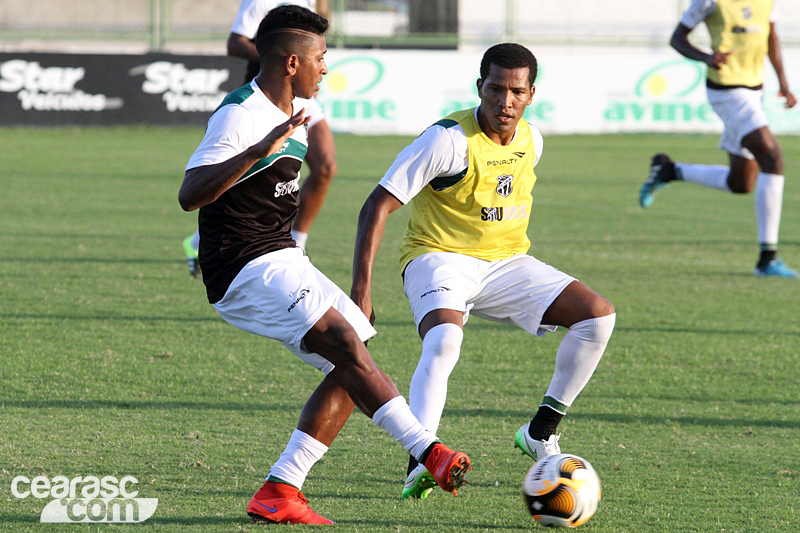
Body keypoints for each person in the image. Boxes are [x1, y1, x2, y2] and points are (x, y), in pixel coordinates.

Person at [178, 5, 470, 524]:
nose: (326, 68)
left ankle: (282, 487)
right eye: (320, 57)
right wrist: (255, 152)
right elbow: (190, 195)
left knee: (354, 352)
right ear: (292, 63)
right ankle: (430, 452)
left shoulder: (300, 113)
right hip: (240, 268)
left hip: (280, 256)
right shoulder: (240, 114)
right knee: (343, 342)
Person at [350, 43, 616, 500]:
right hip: (437, 256)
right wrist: (361, 291)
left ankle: (539, 431)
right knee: (445, 339)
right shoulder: (447, 140)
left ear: (531, 94)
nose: (504, 101)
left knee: (598, 316)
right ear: (480, 87)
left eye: (516, 91)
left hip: (506, 263)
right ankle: (421, 459)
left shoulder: (533, 140)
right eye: (495, 89)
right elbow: (378, 204)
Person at [639, 0, 797, 278]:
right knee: (772, 159)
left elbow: (771, 35)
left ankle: (669, 170)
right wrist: (706, 57)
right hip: (727, 91)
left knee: (742, 182)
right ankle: (767, 259)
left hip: (754, 92)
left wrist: (783, 82)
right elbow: (677, 38)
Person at [182, 0, 336, 277]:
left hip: (297, 88)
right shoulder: (260, 1)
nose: (326, 67)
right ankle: (201, 240)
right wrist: (280, 56)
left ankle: (295, 245)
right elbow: (235, 43)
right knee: (252, 173)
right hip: (271, 92)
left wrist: (307, 65)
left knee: (324, 167)